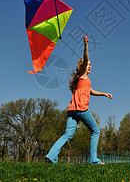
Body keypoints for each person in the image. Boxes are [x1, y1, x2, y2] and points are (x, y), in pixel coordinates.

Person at [45, 35, 112, 164]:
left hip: (72, 110)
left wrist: (104, 94)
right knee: (95, 131)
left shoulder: (83, 81)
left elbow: (91, 91)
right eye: (87, 65)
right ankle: (93, 160)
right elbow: (86, 58)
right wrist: (86, 45)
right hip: (81, 109)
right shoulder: (82, 75)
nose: (90, 66)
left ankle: (51, 155)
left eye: (91, 65)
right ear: (82, 67)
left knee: (67, 134)